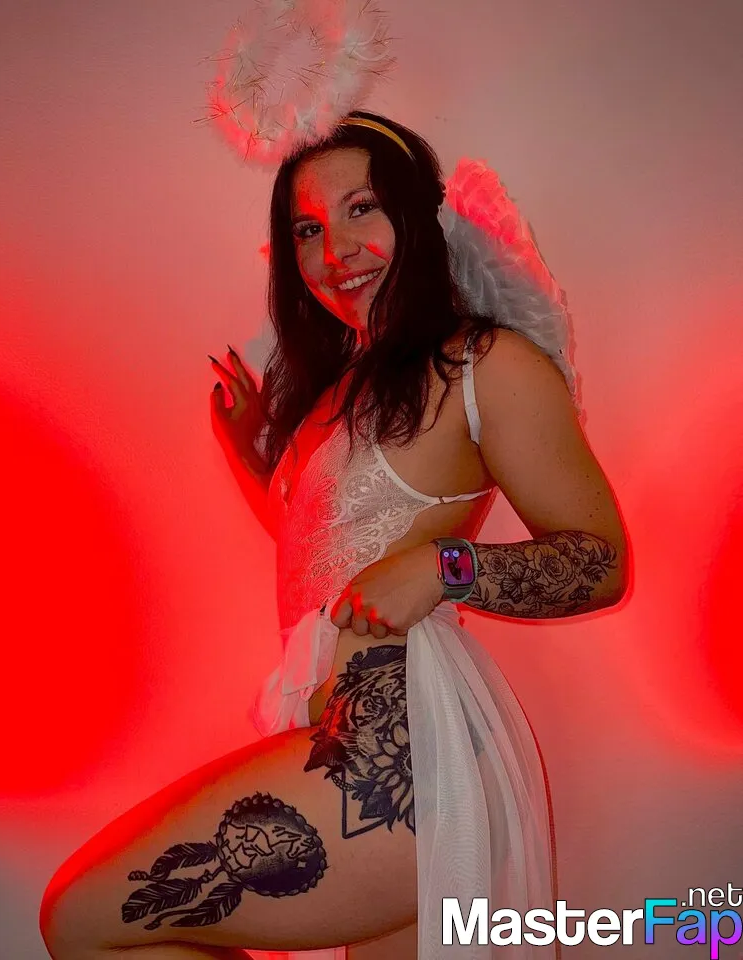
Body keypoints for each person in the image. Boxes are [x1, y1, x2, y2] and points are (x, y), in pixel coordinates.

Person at [39, 112, 629, 960]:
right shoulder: (340, 390)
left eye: (362, 209)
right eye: (308, 229)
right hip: (356, 761)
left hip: (404, 764)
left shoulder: (484, 364)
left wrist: (441, 566)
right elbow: (325, 556)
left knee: (82, 916)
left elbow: (601, 562)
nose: (336, 250)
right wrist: (251, 458)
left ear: (417, 217)